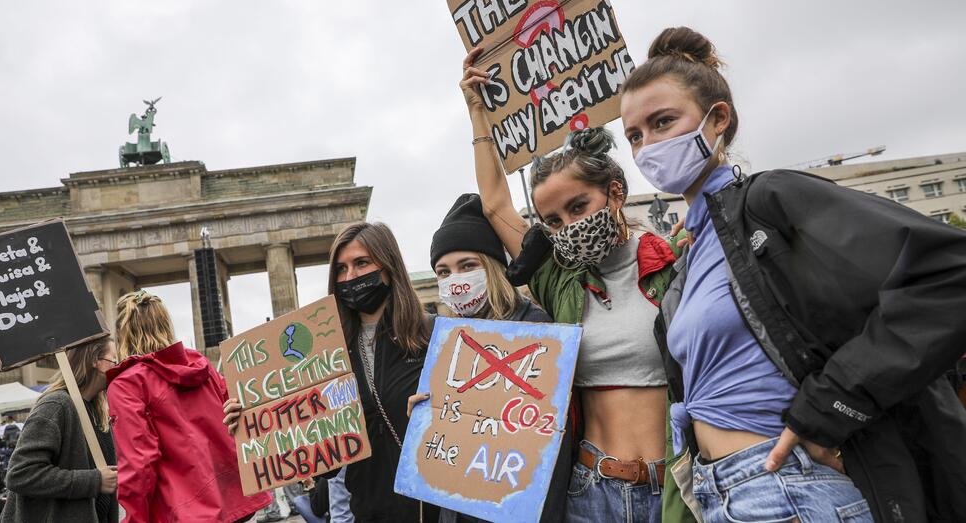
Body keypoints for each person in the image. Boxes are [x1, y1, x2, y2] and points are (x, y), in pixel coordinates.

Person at [620, 26, 966, 522]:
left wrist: (830, 407)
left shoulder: (770, 201)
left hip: (788, 491)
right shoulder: (689, 263)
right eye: (635, 135)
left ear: (717, 120)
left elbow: (947, 272)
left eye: (663, 122)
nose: (647, 146)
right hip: (718, 496)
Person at [460, 50, 690, 522]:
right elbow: (495, 203)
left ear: (615, 192)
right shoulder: (559, 280)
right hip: (591, 490)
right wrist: (475, 109)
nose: (568, 225)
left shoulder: (675, 263)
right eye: (552, 220)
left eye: (579, 206)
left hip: (676, 487)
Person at [223, 222, 440, 522]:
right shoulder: (328, 353)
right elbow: (328, 464)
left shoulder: (432, 336)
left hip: (433, 508)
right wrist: (252, 422)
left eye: (361, 263)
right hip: (370, 511)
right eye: (340, 269)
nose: (349, 277)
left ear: (389, 266)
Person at [406, 193, 568, 523]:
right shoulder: (446, 341)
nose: (456, 280)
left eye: (467, 266)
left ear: (493, 267)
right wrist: (423, 418)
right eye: (443, 271)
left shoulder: (536, 329)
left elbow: (550, 441)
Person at [108, 290, 270, 522]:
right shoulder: (200, 365)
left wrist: (134, 519)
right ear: (166, 323)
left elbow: (139, 463)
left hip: (182, 511)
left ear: (122, 333)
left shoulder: (127, 385)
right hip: (235, 498)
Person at [1, 337, 119, 523]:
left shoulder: (98, 413)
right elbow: (20, 474)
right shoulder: (56, 405)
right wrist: (93, 481)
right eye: (114, 360)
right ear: (95, 361)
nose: (118, 367)